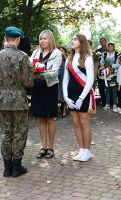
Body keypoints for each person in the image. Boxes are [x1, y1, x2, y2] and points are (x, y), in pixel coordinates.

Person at [0, 26, 34, 177]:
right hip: (18, 100)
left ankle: (6, 168)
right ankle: (17, 167)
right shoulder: (23, 56)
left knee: (6, 133)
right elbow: (28, 81)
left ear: (6, 38)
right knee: (19, 132)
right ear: (17, 39)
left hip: (2, 99)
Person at [62, 33, 95, 162]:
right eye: (72, 39)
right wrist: (65, 97)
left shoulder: (87, 58)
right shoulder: (69, 59)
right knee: (76, 123)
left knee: (84, 122)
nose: (72, 41)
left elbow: (90, 80)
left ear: (81, 42)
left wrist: (81, 98)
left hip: (83, 94)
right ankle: (81, 149)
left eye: (75, 39)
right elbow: (65, 80)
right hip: (71, 95)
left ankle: (87, 151)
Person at [30, 30, 62, 159]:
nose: (42, 41)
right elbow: (30, 67)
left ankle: (50, 147)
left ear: (50, 40)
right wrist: (34, 71)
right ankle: (43, 147)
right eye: (40, 39)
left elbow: (54, 73)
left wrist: (40, 72)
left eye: (45, 38)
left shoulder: (57, 54)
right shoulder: (35, 52)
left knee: (50, 117)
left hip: (49, 87)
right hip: (37, 87)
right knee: (41, 118)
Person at [99, 42, 120, 111]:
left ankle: (114, 104)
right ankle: (107, 104)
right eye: (109, 46)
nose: (110, 47)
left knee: (114, 90)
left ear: (114, 47)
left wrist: (110, 66)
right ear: (107, 47)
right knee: (107, 90)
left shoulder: (118, 54)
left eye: (111, 46)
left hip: (114, 74)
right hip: (106, 74)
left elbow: (118, 64)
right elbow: (101, 63)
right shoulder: (104, 54)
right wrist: (103, 66)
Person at [96, 37, 107, 107]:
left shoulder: (109, 49)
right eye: (101, 41)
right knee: (101, 87)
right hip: (100, 71)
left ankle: (109, 102)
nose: (102, 42)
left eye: (103, 41)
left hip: (108, 71)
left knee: (108, 87)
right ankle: (103, 102)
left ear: (106, 42)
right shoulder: (97, 51)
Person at [58, 46, 68, 117]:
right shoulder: (57, 58)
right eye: (60, 50)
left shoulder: (67, 58)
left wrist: (64, 55)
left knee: (64, 94)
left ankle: (64, 110)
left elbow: (69, 64)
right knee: (58, 95)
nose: (61, 51)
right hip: (58, 79)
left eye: (62, 50)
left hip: (65, 79)